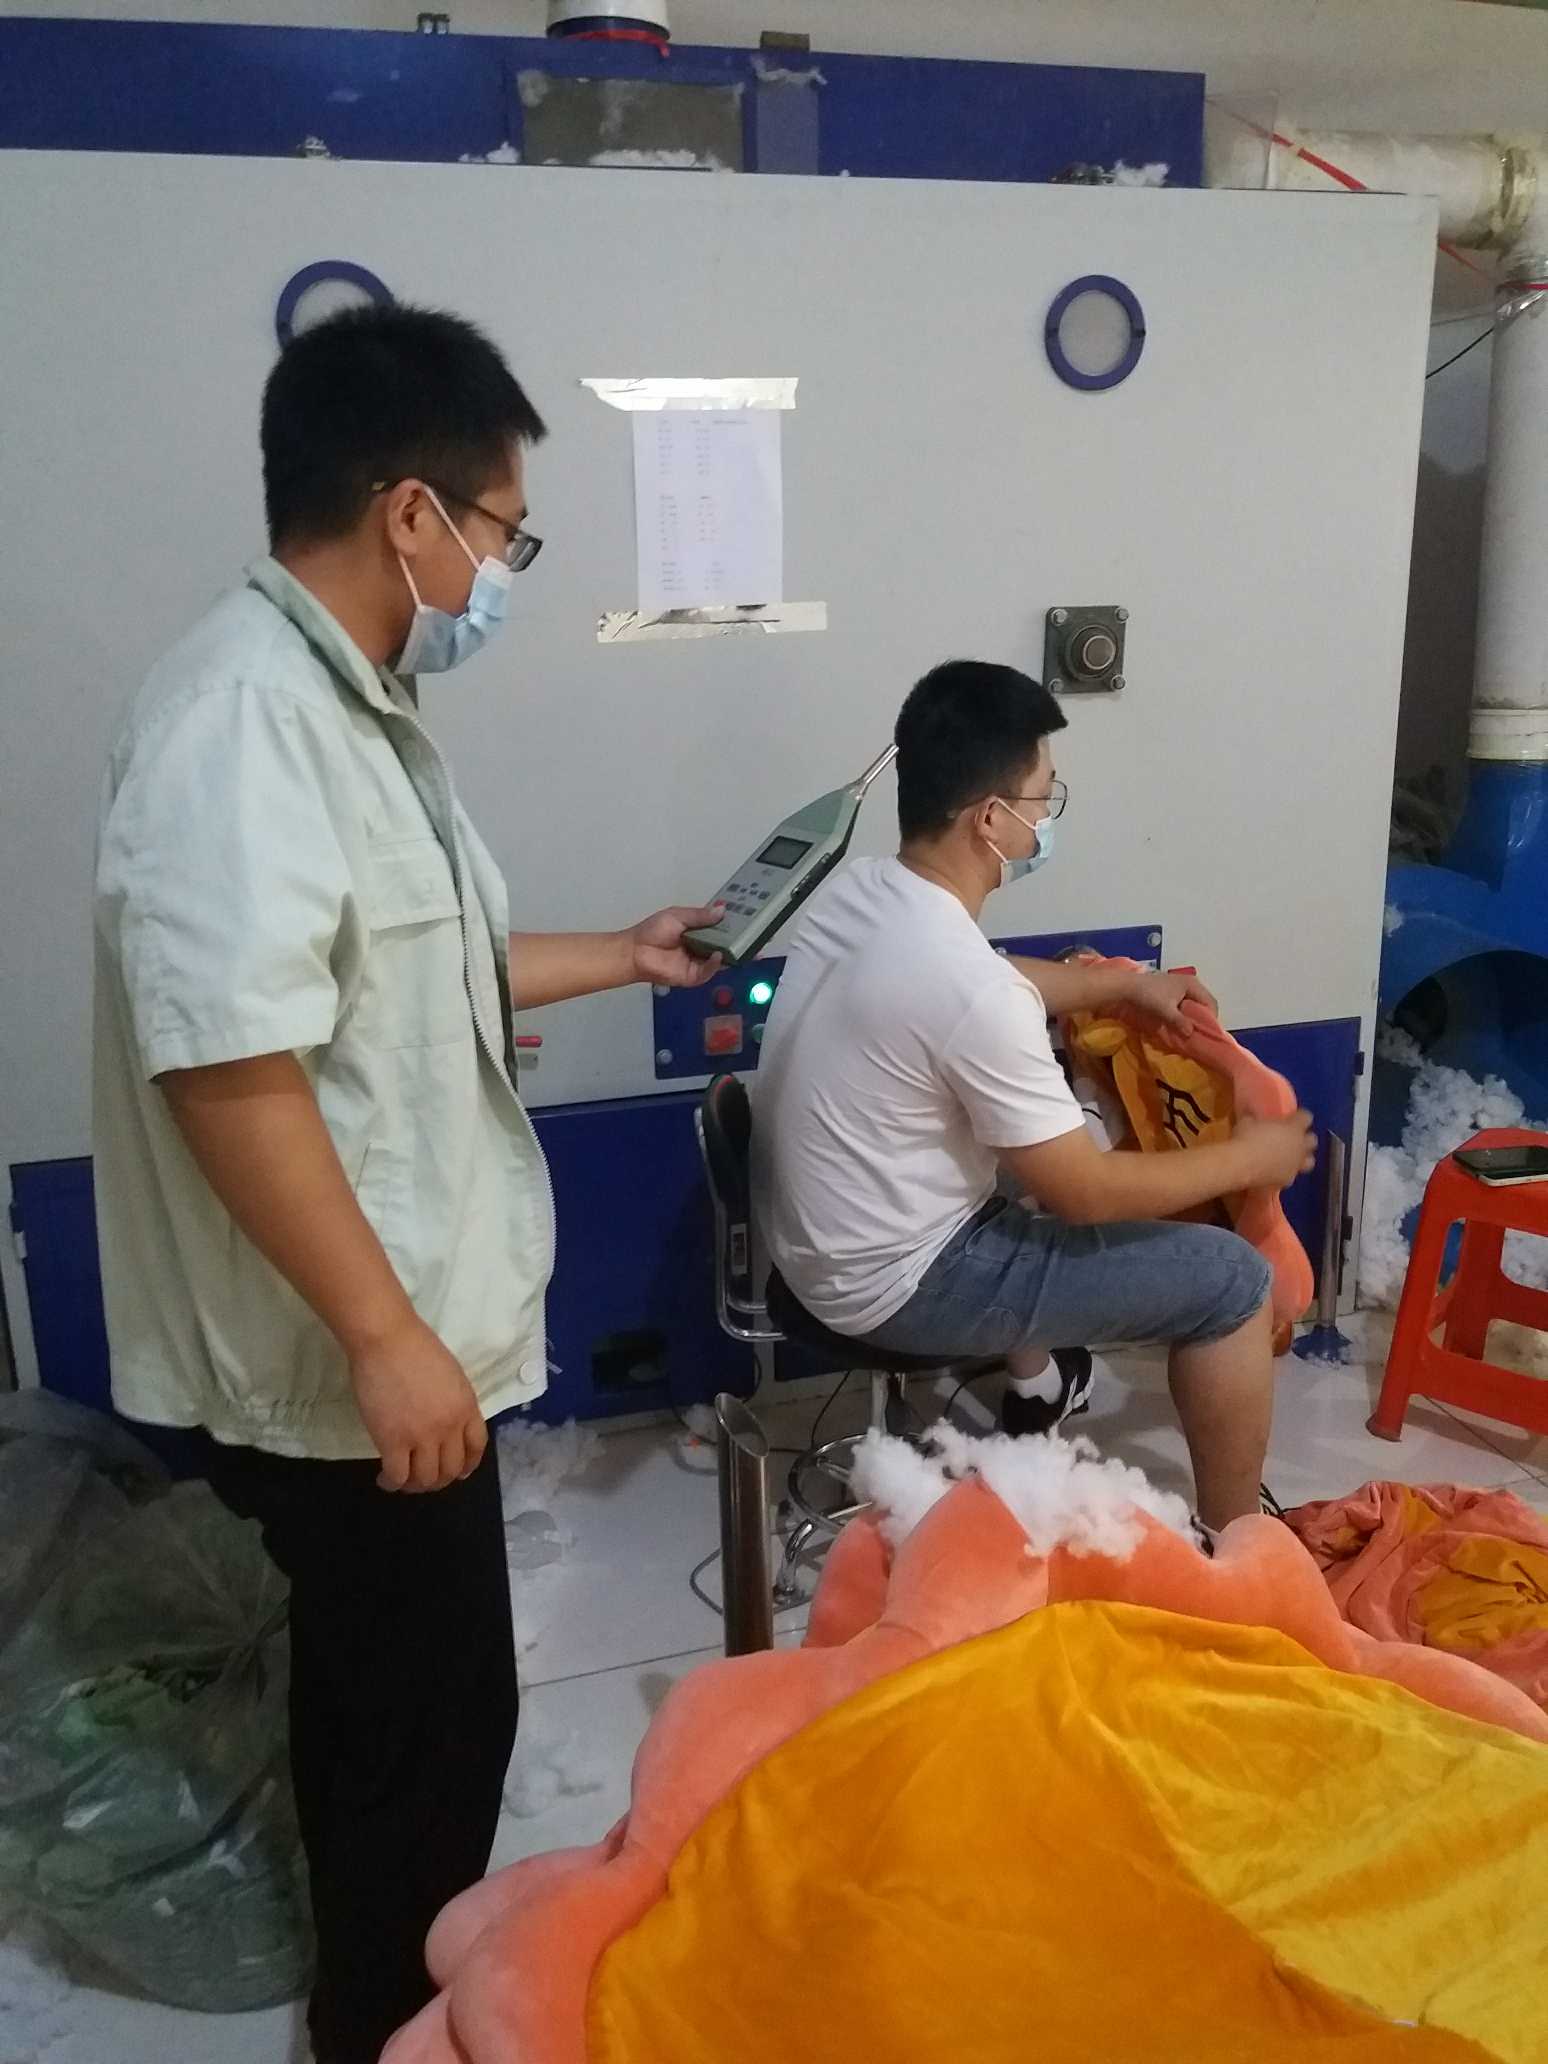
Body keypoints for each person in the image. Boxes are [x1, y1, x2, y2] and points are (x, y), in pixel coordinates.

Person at [92, 304, 722, 2064]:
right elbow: (228, 1060)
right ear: (409, 513)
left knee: (388, 1705)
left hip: (385, 1330)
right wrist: (383, 1337)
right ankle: (392, 2025)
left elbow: (412, 964)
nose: (503, 568)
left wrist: (627, 952)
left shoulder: (347, 708)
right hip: (340, 1364)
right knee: (432, 1729)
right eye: (507, 531)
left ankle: (380, 1992)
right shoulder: (244, 720)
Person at [750, 659, 1315, 1533]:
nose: (1047, 818)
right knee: (1233, 1282)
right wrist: (1250, 1157)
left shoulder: (864, 893)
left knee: (1031, 1138)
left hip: (811, 1248)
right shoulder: (968, 991)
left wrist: (1125, 987)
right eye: (1043, 798)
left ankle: (1042, 1381)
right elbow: (1085, 1192)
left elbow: (990, 976)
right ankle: (1240, 1553)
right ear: (991, 819)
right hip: (900, 1281)